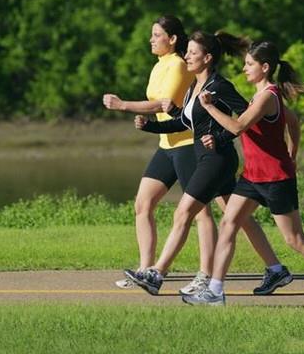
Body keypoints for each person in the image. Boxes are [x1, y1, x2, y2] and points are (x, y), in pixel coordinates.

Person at [183, 41, 304, 308]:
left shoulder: (267, 96)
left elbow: (238, 125)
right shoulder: (259, 97)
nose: (244, 68)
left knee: (295, 239)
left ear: (264, 67)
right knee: (228, 223)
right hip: (252, 177)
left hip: (276, 179)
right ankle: (215, 292)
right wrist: (293, 150)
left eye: (249, 64)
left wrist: (209, 107)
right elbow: (292, 121)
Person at [125, 31, 294, 296]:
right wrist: (149, 126)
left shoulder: (220, 86)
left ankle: (157, 274)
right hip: (209, 158)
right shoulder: (195, 86)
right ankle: (276, 269)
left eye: (193, 53)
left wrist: (220, 136)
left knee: (183, 213)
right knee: (240, 218)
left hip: (217, 160)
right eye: (187, 52)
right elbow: (185, 122)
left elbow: (245, 119)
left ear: (207, 58)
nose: (187, 56)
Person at [103, 15, 220, 293]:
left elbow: (160, 104)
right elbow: (160, 105)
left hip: (186, 146)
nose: (151, 39)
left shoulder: (179, 65)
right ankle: (145, 270)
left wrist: (123, 105)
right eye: (152, 35)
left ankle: (206, 274)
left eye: (157, 35)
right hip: (166, 146)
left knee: (201, 212)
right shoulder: (159, 66)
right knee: (143, 205)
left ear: (173, 39)